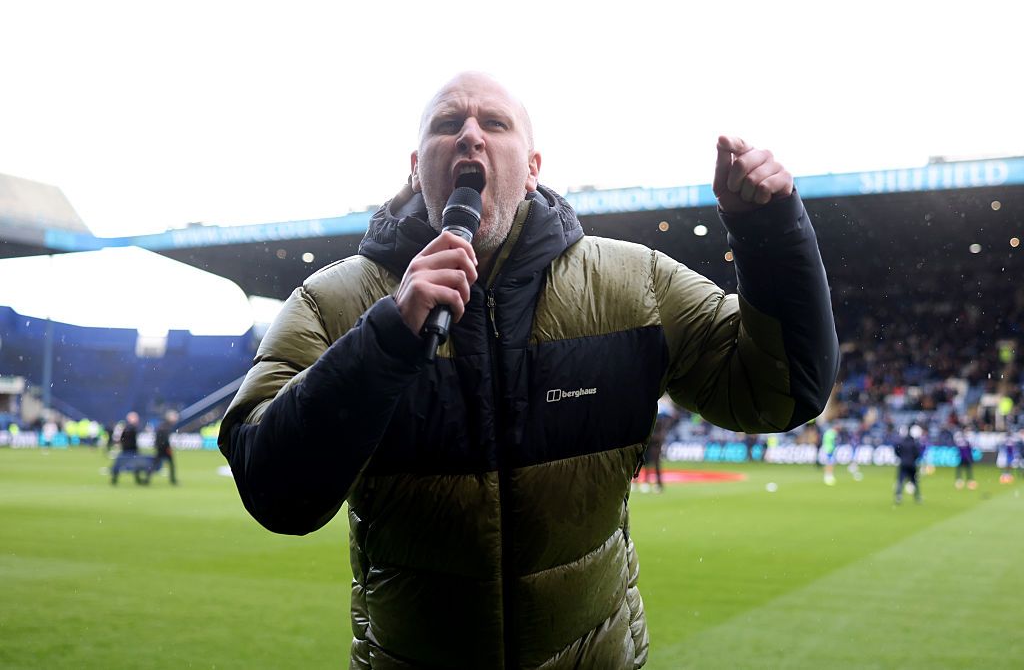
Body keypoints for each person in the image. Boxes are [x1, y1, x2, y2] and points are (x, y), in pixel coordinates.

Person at [217, 72, 839, 668]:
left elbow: (782, 390)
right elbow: (274, 492)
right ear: (415, 167)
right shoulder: (330, 303)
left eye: (495, 123)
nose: (470, 135)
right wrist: (383, 342)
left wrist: (771, 233)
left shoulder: (635, 284)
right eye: (447, 124)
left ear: (534, 168)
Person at [894, 424, 925, 504]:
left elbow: (897, 450)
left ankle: (898, 496)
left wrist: (902, 457)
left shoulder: (902, 442)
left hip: (903, 463)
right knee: (914, 481)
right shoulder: (914, 443)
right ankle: (917, 497)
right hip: (911, 464)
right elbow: (917, 454)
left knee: (900, 480)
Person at [153, 410, 178, 485]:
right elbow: (165, 439)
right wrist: (168, 448)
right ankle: (173, 480)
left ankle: (147, 479)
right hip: (164, 448)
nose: (175, 419)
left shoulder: (163, 425)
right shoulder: (166, 426)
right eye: (174, 417)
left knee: (155, 464)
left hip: (160, 448)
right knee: (170, 464)